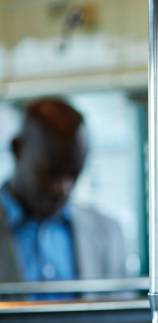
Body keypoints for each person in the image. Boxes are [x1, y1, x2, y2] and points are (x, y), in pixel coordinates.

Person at [0, 98, 127, 298]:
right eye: (50, 173)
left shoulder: (108, 235)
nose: (63, 189)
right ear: (17, 149)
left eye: (74, 174)